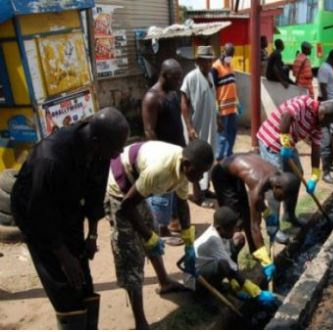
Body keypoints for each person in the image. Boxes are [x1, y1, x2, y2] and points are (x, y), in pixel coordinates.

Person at [11, 108, 129, 329]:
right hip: (35, 216)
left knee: (82, 281)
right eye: (117, 147)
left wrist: (92, 234)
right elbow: (40, 214)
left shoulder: (101, 150)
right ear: (95, 141)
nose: (119, 153)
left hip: (69, 209)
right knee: (62, 283)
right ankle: (71, 318)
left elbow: (95, 194)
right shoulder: (51, 158)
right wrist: (63, 255)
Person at [105, 139, 214, 329]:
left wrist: (189, 241)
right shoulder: (160, 170)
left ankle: (164, 282)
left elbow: (182, 203)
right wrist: (148, 237)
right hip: (119, 189)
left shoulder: (184, 169)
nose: (200, 178)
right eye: (199, 172)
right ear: (187, 164)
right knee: (131, 256)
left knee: (151, 228)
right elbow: (127, 206)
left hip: (137, 187)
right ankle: (141, 323)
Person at [211, 153, 300, 277]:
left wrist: (268, 214)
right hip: (222, 176)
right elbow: (255, 227)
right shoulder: (258, 186)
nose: (282, 200)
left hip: (233, 172)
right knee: (235, 221)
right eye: (283, 196)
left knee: (246, 212)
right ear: (278, 187)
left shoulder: (274, 175)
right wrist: (266, 260)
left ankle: (255, 251)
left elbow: (257, 204)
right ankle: (231, 265)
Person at [257, 95, 333, 228]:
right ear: (323, 115)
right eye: (326, 123)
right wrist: (285, 141)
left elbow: (316, 148)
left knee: (296, 176)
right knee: (277, 183)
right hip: (271, 139)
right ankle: (274, 228)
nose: (325, 126)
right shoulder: (304, 103)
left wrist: (315, 175)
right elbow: (286, 116)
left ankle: (289, 215)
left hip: (287, 144)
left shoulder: (318, 125)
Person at [142, 59, 188, 245]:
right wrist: (160, 156)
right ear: (165, 76)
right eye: (176, 78)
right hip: (163, 155)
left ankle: (174, 221)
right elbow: (149, 130)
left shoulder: (172, 93)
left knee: (176, 189)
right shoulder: (152, 98)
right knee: (161, 192)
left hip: (177, 149)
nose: (179, 82)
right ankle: (161, 230)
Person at [194, 206, 278, 307]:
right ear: (220, 229)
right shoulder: (213, 240)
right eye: (231, 229)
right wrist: (256, 292)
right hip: (197, 279)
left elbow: (229, 259)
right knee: (224, 264)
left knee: (239, 238)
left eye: (234, 227)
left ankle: (228, 284)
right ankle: (203, 295)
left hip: (209, 265)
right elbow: (229, 266)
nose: (234, 231)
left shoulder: (219, 232)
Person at [181, 45, 221, 208]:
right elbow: (183, 102)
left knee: (209, 157)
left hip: (210, 124)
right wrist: (189, 127)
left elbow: (212, 101)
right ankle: (198, 195)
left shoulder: (210, 75)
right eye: (205, 61)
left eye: (210, 60)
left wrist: (218, 119)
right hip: (196, 127)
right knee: (197, 160)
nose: (209, 64)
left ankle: (206, 189)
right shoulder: (191, 77)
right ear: (198, 61)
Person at [212, 43, 239, 161]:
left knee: (232, 131)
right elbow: (212, 88)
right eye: (229, 54)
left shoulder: (230, 65)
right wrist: (216, 107)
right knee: (222, 133)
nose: (230, 57)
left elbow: (232, 84)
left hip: (232, 106)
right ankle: (219, 156)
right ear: (223, 52)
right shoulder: (216, 67)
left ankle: (228, 154)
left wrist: (238, 102)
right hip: (222, 106)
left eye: (232, 55)